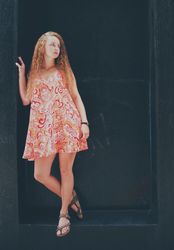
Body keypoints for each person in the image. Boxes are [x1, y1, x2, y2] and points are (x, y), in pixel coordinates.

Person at [15, 31, 90, 237]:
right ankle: (70, 196)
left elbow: (76, 96)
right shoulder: (35, 74)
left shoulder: (63, 70)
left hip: (67, 124)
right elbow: (25, 100)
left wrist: (84, 122)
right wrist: (22, 75)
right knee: (40, 174)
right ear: (42, 48)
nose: (56, 48)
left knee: (66, 171)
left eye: (58, 46)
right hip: (44, 130)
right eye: (52, 45)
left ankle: (64, 213)